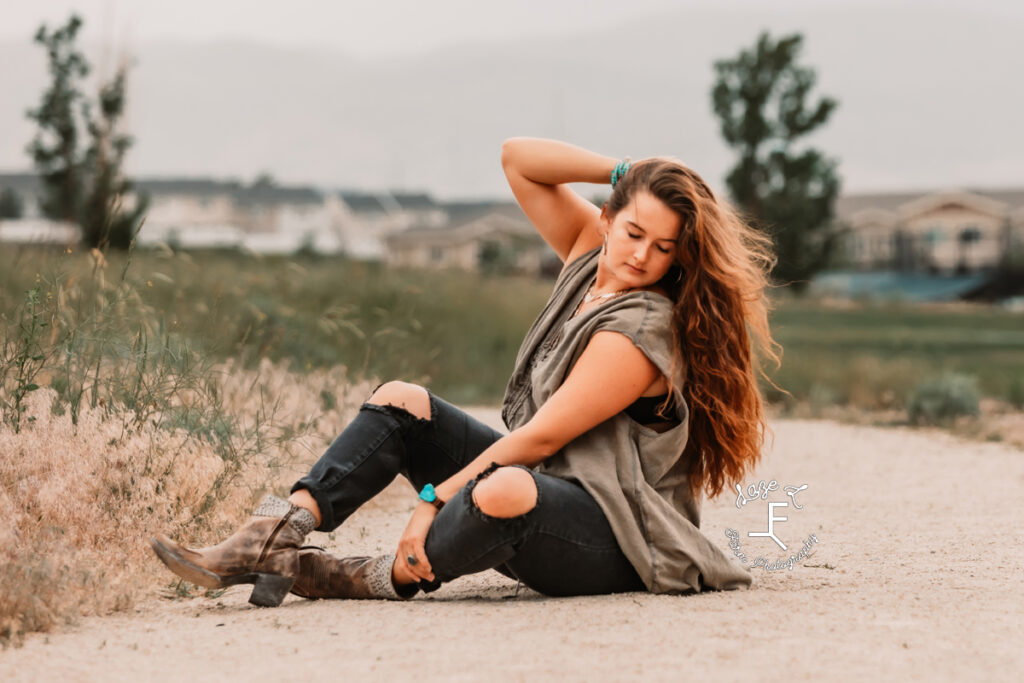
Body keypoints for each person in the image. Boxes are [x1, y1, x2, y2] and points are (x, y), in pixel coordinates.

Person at [150, 137, 780, 606]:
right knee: (402, 402)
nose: (643, 255)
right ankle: (270, 536)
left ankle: (349, 575)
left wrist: (431, 500)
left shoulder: (640, 334)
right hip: (544, 483)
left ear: (679, 255)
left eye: (665, 247)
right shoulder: (592, 252)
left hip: (613, 538)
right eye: (635, 231)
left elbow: (537, 442)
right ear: (609, 217)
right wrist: (625, 169)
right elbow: (518, 160)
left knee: (502, 488)